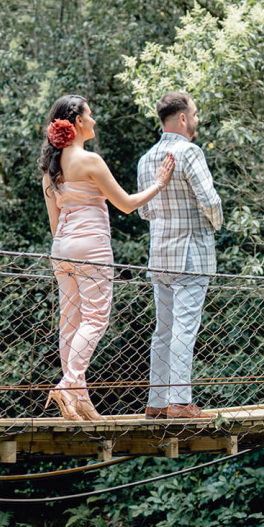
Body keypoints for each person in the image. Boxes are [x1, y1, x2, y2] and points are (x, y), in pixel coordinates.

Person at [40, 94, 174, 421]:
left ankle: (80, 399)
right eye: (90, 115)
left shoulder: (51, 168)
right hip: (91, 248)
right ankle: (69, 384)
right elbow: (127, 204)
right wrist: (158, 184)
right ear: (77, 122)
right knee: (96, 319)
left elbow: (54, 223)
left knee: (70, 321)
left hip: (62, 250)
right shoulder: (91, 161)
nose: (95, 120)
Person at [137, 91, 223, 419]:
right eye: (196, 114)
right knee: (185, 327)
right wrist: (213, 224)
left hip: (160, 256)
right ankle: (180, 401)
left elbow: (144, 211)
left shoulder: (146, 160)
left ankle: (156, 402)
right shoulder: (189, 152)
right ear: (183, 118)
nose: (197, 120)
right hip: (192, 252)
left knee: (164, 329)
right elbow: (210, 200)